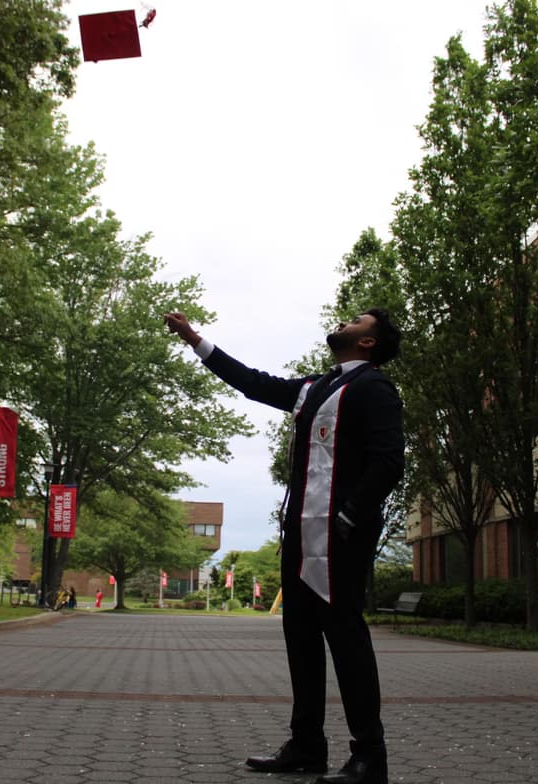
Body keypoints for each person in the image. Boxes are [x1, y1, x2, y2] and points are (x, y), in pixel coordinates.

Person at [163, 309, 404, 784]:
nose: (346, 321)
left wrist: (350, 515)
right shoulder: (316, 387)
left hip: (340, 535)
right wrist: (195, 340)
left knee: (347, 640)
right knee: (301, 639)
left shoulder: (376, 388)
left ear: (370, 343)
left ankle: (370, 756)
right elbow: (253, 382)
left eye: (357, 320)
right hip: (299, 532)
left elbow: (389, 461)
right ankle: (307, 745)